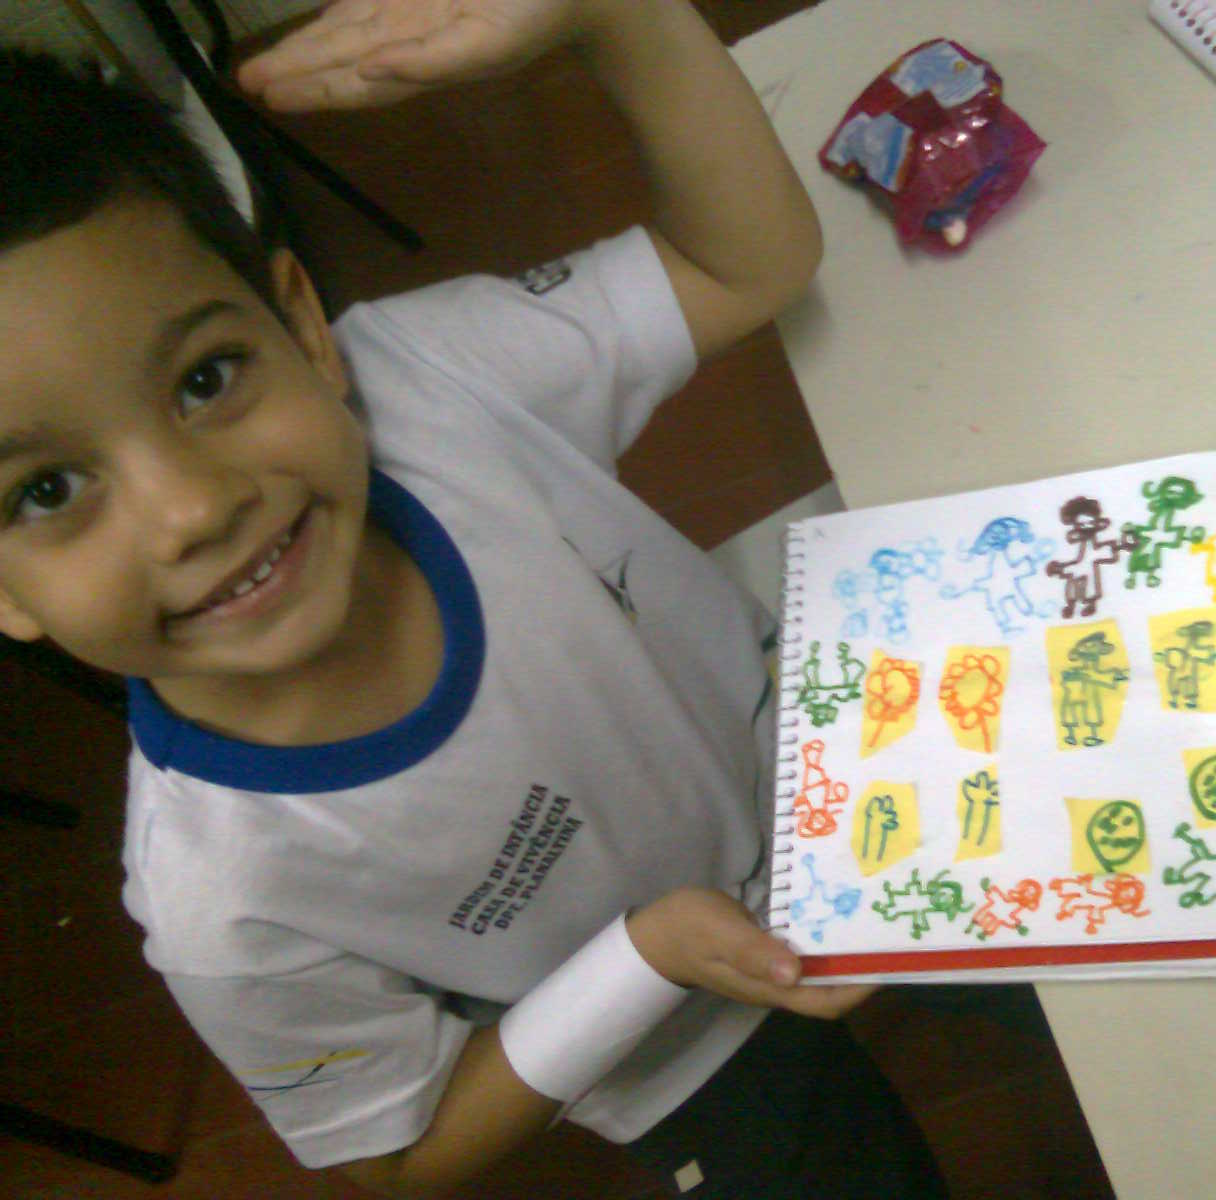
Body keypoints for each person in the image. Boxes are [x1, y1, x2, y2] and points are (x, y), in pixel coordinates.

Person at [0, 2, 950, 1196]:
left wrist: (618, 18)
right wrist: (644, 962)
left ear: (304, 331)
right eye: (45, 490)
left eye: (206, 377)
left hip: (865, 769)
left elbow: (744, 263)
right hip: (685, 1050)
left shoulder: (426, 381)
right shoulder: (224, 902)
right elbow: (399, 1158)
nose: (191, 509)